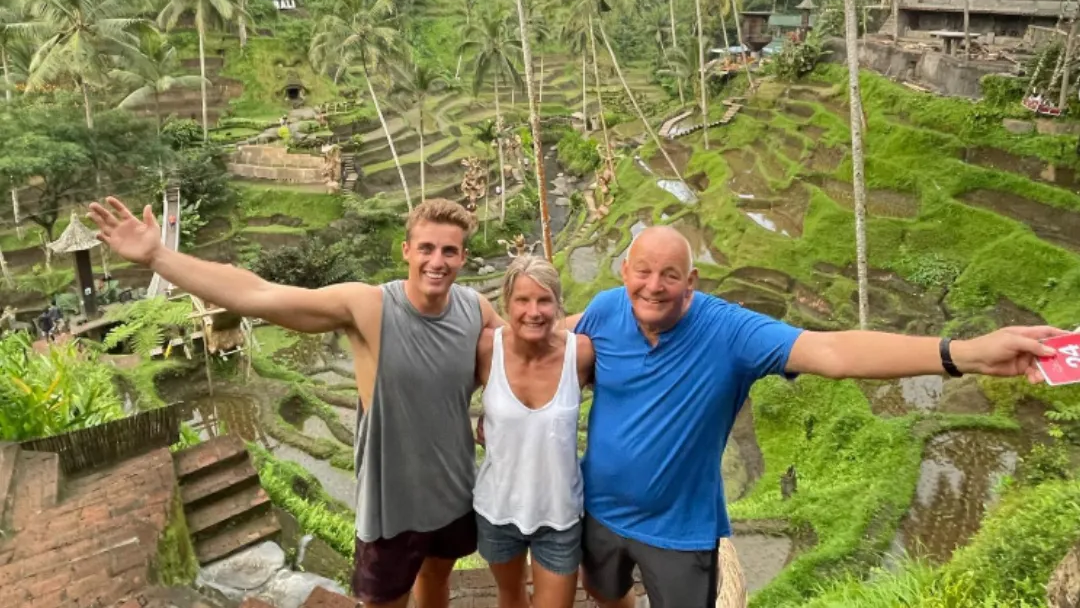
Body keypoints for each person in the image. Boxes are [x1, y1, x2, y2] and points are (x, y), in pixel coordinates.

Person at [570, 225, 1067, 608]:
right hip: (601, 512)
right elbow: (548, 337)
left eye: (669, 275)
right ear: (624, 272)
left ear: (691, 281)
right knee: (604, 592)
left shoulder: (729, 331)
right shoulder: (605, 310)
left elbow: (832, 352)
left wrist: (965, 353)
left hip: (677, 532)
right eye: (642, 272)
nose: (653, 287)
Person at [89, 195, 503, 608]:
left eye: (450, 250)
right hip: (391, 509)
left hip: (453, 491)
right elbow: (257, 293)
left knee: (437, 582)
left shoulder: (475, 309)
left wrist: (496, 411)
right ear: (406, 251)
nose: (438, 260)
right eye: (427, 248)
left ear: (464, 256)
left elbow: (527, 353)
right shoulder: (369, 306)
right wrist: (159, 256)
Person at [473, 256, 594, 608]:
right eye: (523, 300)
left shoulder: (581, 353)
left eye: (544, 300)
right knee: (510, 596)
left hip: (559, 513)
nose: (534, 311)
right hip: (497, 509)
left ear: (558, 304)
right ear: (506, 303)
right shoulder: (485, 348)